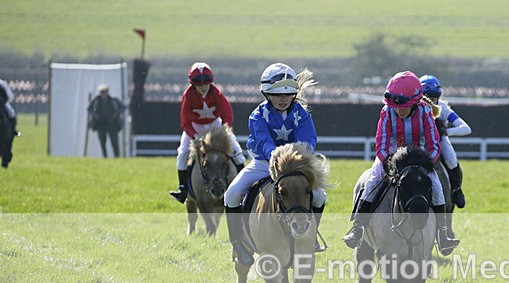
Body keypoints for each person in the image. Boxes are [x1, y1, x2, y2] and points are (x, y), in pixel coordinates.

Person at [342, 71, 460, 253]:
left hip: (419, 158)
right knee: (372, 181)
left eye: (403, 106)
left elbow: (433, 143)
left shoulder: (425, 111)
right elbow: (381, 141)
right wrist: (387, 161)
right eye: (395, 106)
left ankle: (443, 234)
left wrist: (428, 162)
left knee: (436, 186)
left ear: (414, 102)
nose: (398, 110)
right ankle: (358, 227)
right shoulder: (387, 111)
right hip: (391, 157)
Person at [223, 63, 325, 266]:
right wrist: (276, 157)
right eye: (277, 94)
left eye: (288, 95)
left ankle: (310, 238)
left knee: (320, 196)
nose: (283, 99)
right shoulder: (258, 115)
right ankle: (238, 244)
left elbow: (308, 142)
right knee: (232, 194)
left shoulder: (302, 115)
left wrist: (294, 159)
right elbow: (263, 141)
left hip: (294, 167)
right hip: (262, 164)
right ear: (266, 94)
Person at [170, 62, 246, 204]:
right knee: (182, 153)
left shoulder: (216, 93)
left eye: (206, 83)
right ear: (193, 84)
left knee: (237, 151)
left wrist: (224, 130)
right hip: (195, 127)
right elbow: (185, 122)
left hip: (215, 125)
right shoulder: (188, 95)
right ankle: (183, 189)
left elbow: (227, 114)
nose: (203, 87)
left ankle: (245, 187)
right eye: (199, 84)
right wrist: (194, 136)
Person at [419, 74, 471, 207]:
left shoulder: (443, 107)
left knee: (451, 159)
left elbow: (466, 128)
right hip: (419, 139)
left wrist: (445, 132)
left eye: (433, 98)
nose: (430, 102)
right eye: (426, 98)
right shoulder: (413, 107)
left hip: (439, 139)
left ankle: (457, 190)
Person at [87, 84, 124, 158]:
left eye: (104, 92)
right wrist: (95, 114)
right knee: (102, 142)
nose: (103, 94)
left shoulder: (114, 100)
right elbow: (89, 109)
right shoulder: (96, 100)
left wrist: (117, 113)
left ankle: (117, 157)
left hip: (112, 124)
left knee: (114, 142)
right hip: (100, 124)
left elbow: (123, 107)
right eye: (102, 92)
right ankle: (105, 157)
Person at [0, 78, 18, 169]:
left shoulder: (2, 84)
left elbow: (9, 98)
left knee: (11, 114)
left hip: (2, 105)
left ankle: (13, 131)